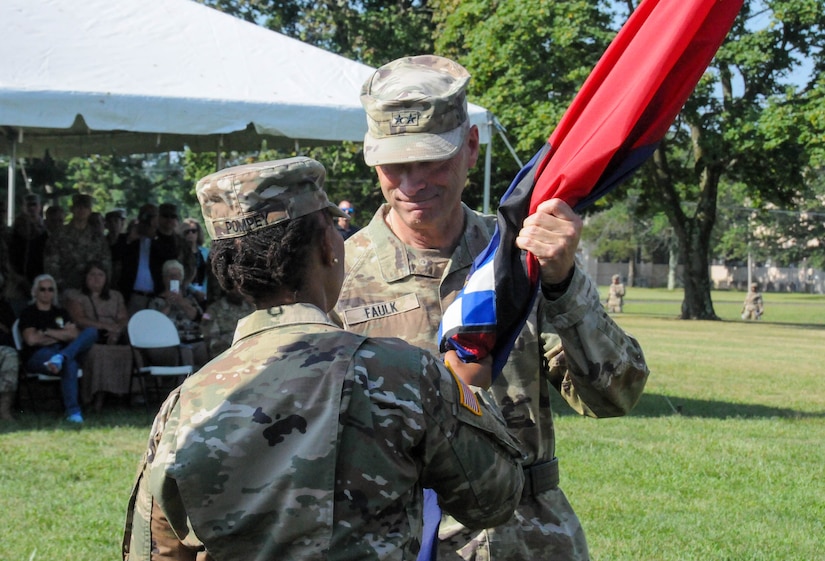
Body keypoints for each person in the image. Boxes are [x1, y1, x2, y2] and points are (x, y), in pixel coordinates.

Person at [123, 157, 525, 560]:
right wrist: (467, 387)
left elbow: (154, 550)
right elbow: (494, 498)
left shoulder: (182, 406)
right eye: (332, 226)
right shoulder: (403, 375)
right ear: (327, 247)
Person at [333, 55, 650, 561]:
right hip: (390, 536)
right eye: (395, 164)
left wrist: (563, 284)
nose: (413, 183)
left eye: (432, 159)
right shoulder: (335, 277)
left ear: (472, 147)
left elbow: (615, 395)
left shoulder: (518, 257)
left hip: (526, 537)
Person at [18, 274, 97, 423]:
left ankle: (61, 357)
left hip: (60, 351)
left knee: (91, 332)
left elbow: (74, 335)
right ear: (35, 291)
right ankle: (73, 412)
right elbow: (31, 339)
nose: (47, 293)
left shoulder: (61, 312)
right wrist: (60, 334)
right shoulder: (28, 312)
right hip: (37, 355)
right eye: (42, 289)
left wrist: (45, 332)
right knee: (71, 362)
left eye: (50, 289)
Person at [64, 261, 132, 412]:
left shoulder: (116, 296)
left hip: (114, 336)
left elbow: (123, 318)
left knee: (129, 352)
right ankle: (95, 400)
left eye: (100, 275)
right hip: (89, 336)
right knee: (99, 353)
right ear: (85, 278)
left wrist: (116, 330)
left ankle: (120, 398)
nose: (96, 278)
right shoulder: (75, 296)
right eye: (92, 275)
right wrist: (105, 327)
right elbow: (79, 319)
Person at [147, 259, 208, 369]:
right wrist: (168, 305)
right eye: (170, 275)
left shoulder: (190, 299)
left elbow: (201, 318)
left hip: (194, 338)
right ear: (164, 278)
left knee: (206, 349)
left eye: (177, 275)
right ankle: (185, 384)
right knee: (186, 351)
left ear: (181, 278)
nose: (173, 278)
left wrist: (182, 302)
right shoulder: (156, 301)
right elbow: (154, 325)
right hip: (171, 343)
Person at [43, 193, 112, 291]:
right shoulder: (58, 235)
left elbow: (105, 264)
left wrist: (102, 287)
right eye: (78, 207)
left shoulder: (97, 237)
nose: (82, 210)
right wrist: (59, 286)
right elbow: (51, 264)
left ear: (90, 211)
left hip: (92, 291)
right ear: (72, 209)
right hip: (65, 289)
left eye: (85, 207)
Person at [119, 203, 159, 314]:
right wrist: (130, 239)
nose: (148, 221)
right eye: (146, 216)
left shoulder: (161, 239)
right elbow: (117, 256)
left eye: (152, 216)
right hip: (133, 296)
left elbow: (169, 254)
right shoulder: (127, 239)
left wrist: (155, 234)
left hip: (156, 296)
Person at [199, 287, 254, 360]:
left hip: (250, 349)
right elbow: (208, 336)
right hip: (226, 354)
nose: (238, 291)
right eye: (234, 288)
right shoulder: (213, 309)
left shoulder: (250, 307)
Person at [10, 193, 47, 284]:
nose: (31, 208)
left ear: (39, 207)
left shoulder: (46, 227)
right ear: (23, 207)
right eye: (28, 205)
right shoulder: (16, 227)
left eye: (34, 205)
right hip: (19, 274)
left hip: (41, 272)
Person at [180, 217, 209, 303]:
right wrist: (194, 291)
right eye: (187, 231)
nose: (190, 234)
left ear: (198, 232)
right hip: (186, 294)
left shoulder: (206, 252)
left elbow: (209, 276)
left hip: (205, 293)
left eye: (193, 231)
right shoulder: (180, 253)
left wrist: (204, 292)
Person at [0, 296, 19, 421]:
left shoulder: (3, 306)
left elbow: (10, 331)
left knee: (11, 355)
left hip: (2, 348)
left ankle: (4, 410)